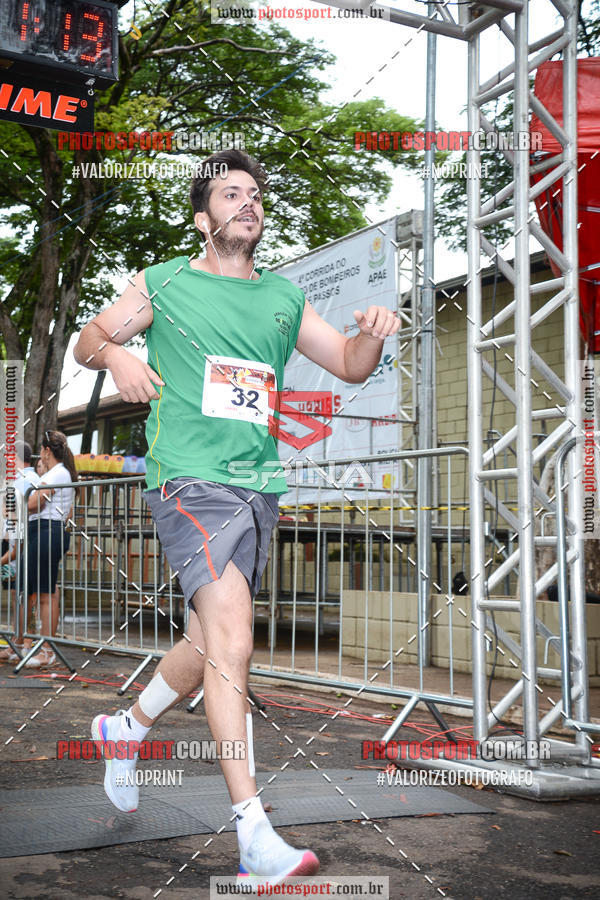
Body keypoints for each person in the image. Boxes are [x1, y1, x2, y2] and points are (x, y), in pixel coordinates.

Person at [73, 148, 400, 885]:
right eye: (230, 193)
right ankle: (253, 833)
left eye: (255, 193)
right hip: (190, 481)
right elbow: (88, 338)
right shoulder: (165, 282)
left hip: (258, 486)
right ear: (203, 216)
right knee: (234, 636)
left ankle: (126, 729)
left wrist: (376, 328)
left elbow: (349, 363)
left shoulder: (282, 299)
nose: (247, 203)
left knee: (204, 642)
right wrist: (117, 360)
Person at [24, 430, 77, 667]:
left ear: (47, 451)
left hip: (48, 530)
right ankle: (30, 644)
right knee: (37, 589)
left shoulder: (58, 473)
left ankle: (47, 649)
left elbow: (35, 502)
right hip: (41, 530)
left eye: (42, 452)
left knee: (46, 592)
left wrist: (23, 500)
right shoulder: (57, 473)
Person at [0, 441, 38, 662]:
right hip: (16, 544)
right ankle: (18, 643)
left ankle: (24, 643)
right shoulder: (18, 481)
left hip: (24, 545)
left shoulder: (27, 480)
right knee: (19, 596)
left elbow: (18, 513)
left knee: (26, 596)